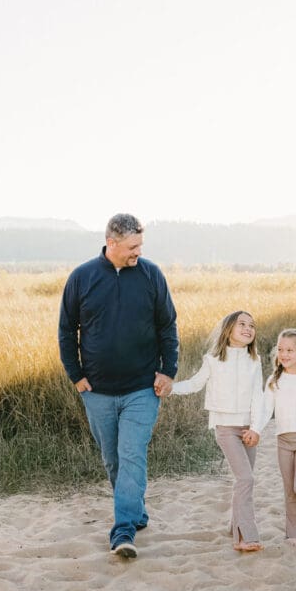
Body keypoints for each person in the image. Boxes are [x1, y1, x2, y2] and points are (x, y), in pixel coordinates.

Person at [58, 213, 178, 560]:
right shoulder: (82, 277)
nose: (138, 252)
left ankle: (123, 529)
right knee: (113, 460)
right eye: (132, 246)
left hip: (142, 387)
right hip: (96, 391)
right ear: (111, 242)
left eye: (140, 245)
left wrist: (167, 372)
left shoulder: (151, 274)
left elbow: (168, 326)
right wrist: (76, 376)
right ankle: (135, 511)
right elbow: (67, 330)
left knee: (131, 455)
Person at [170, 311, 265, 553]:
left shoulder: (255, 361)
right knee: (246, 479)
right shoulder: (213, 359)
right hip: (225, 428)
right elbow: (194, 384)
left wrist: (255, 428)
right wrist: (170, 389)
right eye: (242, 324)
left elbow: (258, 397)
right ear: (228, 329)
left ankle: (235, 525)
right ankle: (245, 536)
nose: (248, 328)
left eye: (251, 325)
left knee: (244, 480)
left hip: (248, 430)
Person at [248, 328, 296, 547]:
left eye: (290, 350)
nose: (284, 354)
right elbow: (265, 410)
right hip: (283, 440)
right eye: (281, 349)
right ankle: (295, 532)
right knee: (289, 489)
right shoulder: (274, 379)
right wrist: (256, 429)